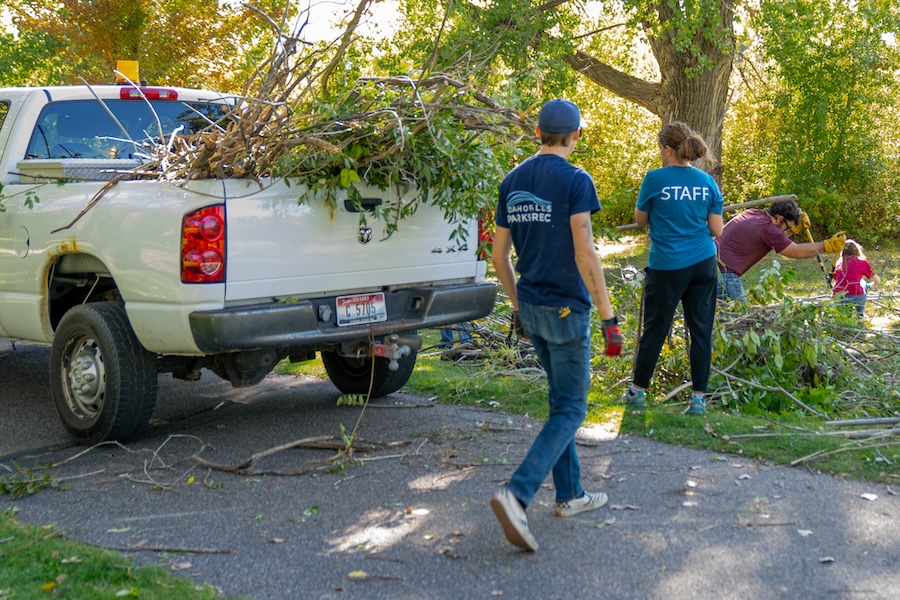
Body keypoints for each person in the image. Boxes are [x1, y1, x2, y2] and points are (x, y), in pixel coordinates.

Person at [489, 98, 623, 552]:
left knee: (559, 402)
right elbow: (586, 253)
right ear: (576, 135)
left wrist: (519, 304)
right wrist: (610, 319)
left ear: (539, 133)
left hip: (531, 306)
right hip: (568, 310)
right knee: (571, 409)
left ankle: (570, 495)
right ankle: (517, 493)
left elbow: (498, 257)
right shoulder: (576, 180)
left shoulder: (513, 180)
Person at [622, 122, 724, 417]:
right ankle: (698, 399)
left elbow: (641, 220)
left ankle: (638, 391)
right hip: (703, 262)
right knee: (701, 330)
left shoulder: (655, 179)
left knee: (655, 328)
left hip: (667, 265)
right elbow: (716, 229)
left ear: (668, 149)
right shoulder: (707, 183)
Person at [716, 200, 847, 300]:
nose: (785, 230)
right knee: (740, 321)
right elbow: (796, 251)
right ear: (779, 218)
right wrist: (827, 245)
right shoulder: (767, 229)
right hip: (724, 276)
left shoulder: (752, 213)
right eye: (786, 227)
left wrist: (793, 230)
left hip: (705, 267)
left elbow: (776, 238)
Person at [832, 239, 880, 317]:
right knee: (862, 282)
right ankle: (860, 315)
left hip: (839, 296)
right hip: (856, 294)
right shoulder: (862, 262)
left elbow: (836, 280)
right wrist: (873, 285)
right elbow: (878, 281)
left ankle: (847, 315)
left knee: (845, 316)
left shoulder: (839, 263)